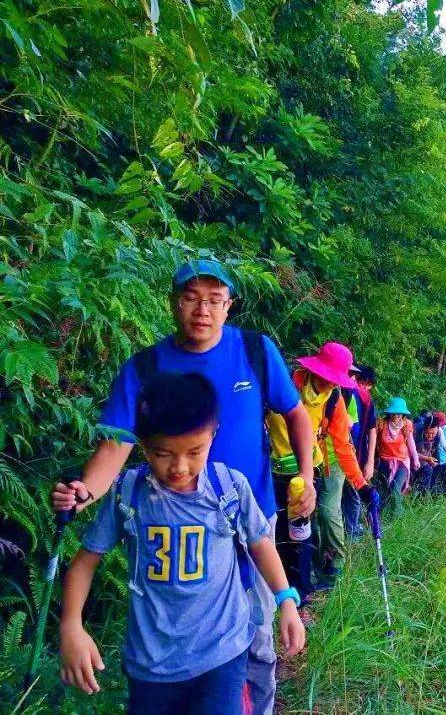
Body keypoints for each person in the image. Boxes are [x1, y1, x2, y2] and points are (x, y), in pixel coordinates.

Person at [52, 260, 315, 715]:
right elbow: (117, 445)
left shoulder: (254, 350)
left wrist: (306, 477)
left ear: (229, 306)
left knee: (255, 633)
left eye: (214, 299)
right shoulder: (147, 366)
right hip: (168, 512)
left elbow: (294, 413)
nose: (203, 309)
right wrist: (85, 494)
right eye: (191, 297)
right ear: (174, 303)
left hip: (246, 512)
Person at [266, 342, 373, 597]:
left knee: (300, 532)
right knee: (272, 531)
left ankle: (302, 594)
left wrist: (361, 485)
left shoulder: (334, 399)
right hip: (272, 469)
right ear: (314, 370)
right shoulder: (285, 384)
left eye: (335, 380)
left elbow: (342, 445)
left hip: (305, 473)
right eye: (327, 378)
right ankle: (275, 590)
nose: (330, 384)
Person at [341, 364, 378, 541]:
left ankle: (351, 534)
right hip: (335, 454)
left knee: (353, 493)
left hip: (356, 454)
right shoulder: (336, 391)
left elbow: (372, 428)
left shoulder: (363, 397)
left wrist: (370, 461)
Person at [375, 398, 420, 518]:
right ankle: (383, 515)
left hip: (401, 462)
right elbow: (375, 442)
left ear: (403, 414)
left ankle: (397, 516)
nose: (396, 415)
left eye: (399, 413)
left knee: (395, 488)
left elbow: (410, 441)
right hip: (384, 460)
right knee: (384, 489)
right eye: (394, 412)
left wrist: (415, 458)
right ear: (390, 412)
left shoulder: (406, 424)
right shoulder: (381, 424)